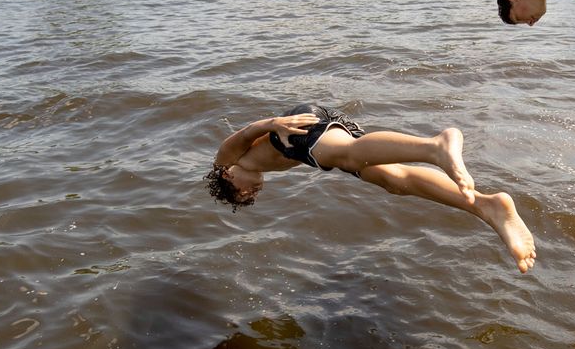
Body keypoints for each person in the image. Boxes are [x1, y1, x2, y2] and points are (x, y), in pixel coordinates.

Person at [205, 104, 537, 273]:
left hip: (295, 127)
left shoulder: (225, 161)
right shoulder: (258, 167)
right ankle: (485, 206)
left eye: (245, 194)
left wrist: (273, 124)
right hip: (311, 144)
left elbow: (247, 131)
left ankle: (435, 147)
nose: (254, 193)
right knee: (395, 181)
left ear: (229, 179)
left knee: (347, 155)